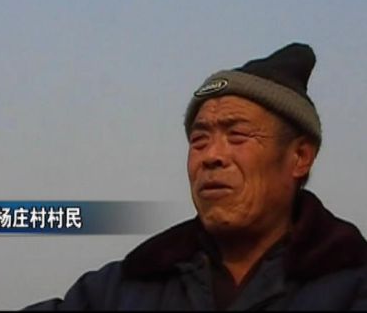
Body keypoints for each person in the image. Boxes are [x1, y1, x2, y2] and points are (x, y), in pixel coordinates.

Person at [23, 43, 367, 310]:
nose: (211, 156)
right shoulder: (126, 288)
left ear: (300, 157)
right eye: (199, 140)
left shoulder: (351, 284)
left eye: (237, 135)